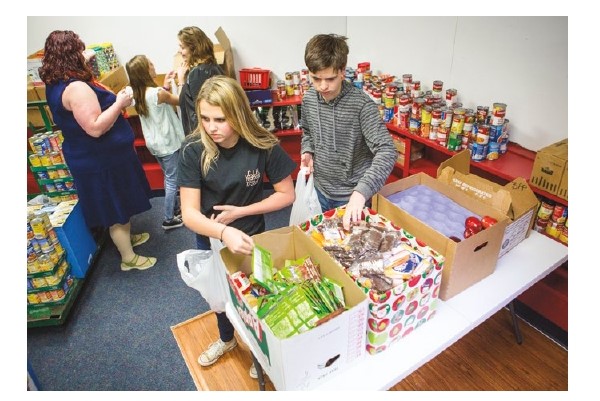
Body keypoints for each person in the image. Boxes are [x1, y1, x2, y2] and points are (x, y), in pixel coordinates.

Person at [177, 76, 296, 378]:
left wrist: (242, 212)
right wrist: (222, 231)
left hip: (252, 235)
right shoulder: (194, 149)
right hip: (212, 237)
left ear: (239, 114)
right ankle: (227, 339)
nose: (211, 127)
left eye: (220, 119)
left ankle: (261, 352)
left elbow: (287, 194)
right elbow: (189, 213)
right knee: (218, 296)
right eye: (204, 118)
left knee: (255, 296)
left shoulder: (261, 144)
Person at [39, 30, 156, 271]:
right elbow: (94, 128)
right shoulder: (77, 89)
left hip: (97, 157)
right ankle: (128, 258)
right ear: (72, 55)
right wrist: (119, 103)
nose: (85, 53)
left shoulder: (55, 81)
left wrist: (86, 54)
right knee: (116, 207)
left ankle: (125, 239)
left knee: (119, 204)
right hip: (101, 160)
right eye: (80, 49)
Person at [300, 34, 397, 230]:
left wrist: (361, 193)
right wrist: (308, 151)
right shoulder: (309, 98)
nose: (322, 86)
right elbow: (307, 131)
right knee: (324, 243)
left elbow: (387, 150)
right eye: (316, 78)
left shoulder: (362, 105)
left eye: (330, 78)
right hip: (320, 189)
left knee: (351, 251)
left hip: (351, 196)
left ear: (343, 71)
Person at [126, 55, 185, 231]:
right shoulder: (158, 93)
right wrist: (180, 81)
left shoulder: (140, 93)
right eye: (151, 64)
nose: (154, 65)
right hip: (168, 143)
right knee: (172, 180)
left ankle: (174, 210)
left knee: (168, 176)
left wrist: (166, 84)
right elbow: (181, 100)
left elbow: (158, 105)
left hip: (156, 144)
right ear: (146, 71)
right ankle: (168, 219)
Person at [176, 26, 224, 136]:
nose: (179, 51)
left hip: (202, 137)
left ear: (194, 48)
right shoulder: (211, 67)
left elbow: (200, 114)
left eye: (182, 47)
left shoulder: (198, 74)